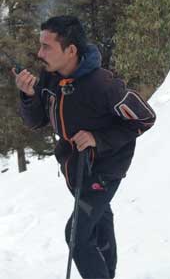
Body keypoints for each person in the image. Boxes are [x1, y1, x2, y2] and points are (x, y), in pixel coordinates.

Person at [14, 15, 156, 279]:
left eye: (47, 47)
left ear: (70, 50)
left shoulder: (103, 85)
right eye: (40, 45)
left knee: (76, 236)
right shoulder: (50, 79)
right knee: (99, 221)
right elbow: (36, 122)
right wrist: (28, 96)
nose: (39, 53)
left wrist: (97, 139)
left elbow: (145, 117)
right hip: (75, 168)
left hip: (104, 171)